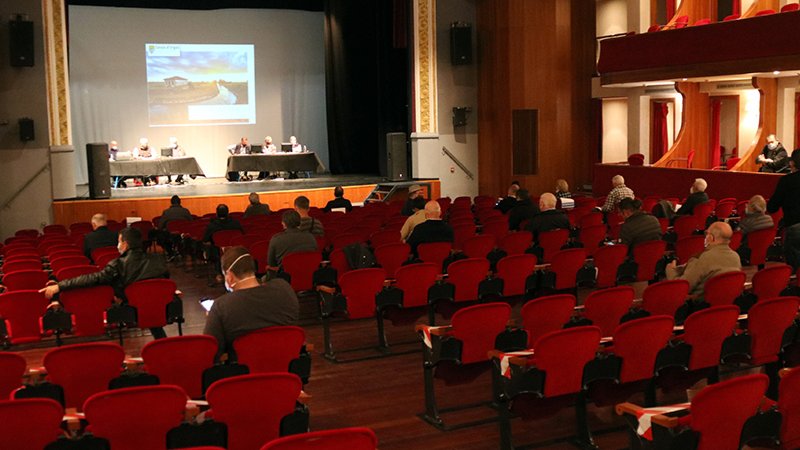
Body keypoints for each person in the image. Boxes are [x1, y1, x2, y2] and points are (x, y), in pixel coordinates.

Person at [40, 227, 170, 339]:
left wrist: (60, 286)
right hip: (159, 307)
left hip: (131, 310)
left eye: (119, 241)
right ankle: (163, 344)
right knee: (148, 300)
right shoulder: (159, 260)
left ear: (125, 244)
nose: (117, 245)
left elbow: (92, 279)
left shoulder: (118, 264)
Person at [203, 246, 299, 360]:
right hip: (285, 370)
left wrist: (213, 319)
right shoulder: (284, 289)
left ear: (229, 276)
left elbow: (210, 353)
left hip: (244, 375)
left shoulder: (221, 307)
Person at [666, 221, 741, 298]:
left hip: (699, 304)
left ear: (711, 238)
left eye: (706, 234)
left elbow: (682, 287)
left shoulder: (703, 258)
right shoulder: (736, 257)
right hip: (725, 303)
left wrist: (671, 270)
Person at [768, 149, 800, 269]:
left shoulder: (787, 180)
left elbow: (772, 206)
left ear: (792, 163)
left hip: (794, 225)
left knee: (794, 264)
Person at [203, 204, 244, 275]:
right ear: (228, 213)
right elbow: (242, 235)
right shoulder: (236, 224)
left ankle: (219, 274)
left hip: (218, 254)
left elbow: (205, 240)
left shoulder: (212, 226)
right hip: (235, 251)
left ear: (217, 214)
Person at [156, 195, 192, 260]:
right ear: (180, 202)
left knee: (161, 236)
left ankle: (170, 252)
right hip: (183, 234)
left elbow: (160, 226)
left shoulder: (166, 212)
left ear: (171, 202)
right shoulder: (185, 211)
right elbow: (191, 222)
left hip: (170, 235)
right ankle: (182, 251)